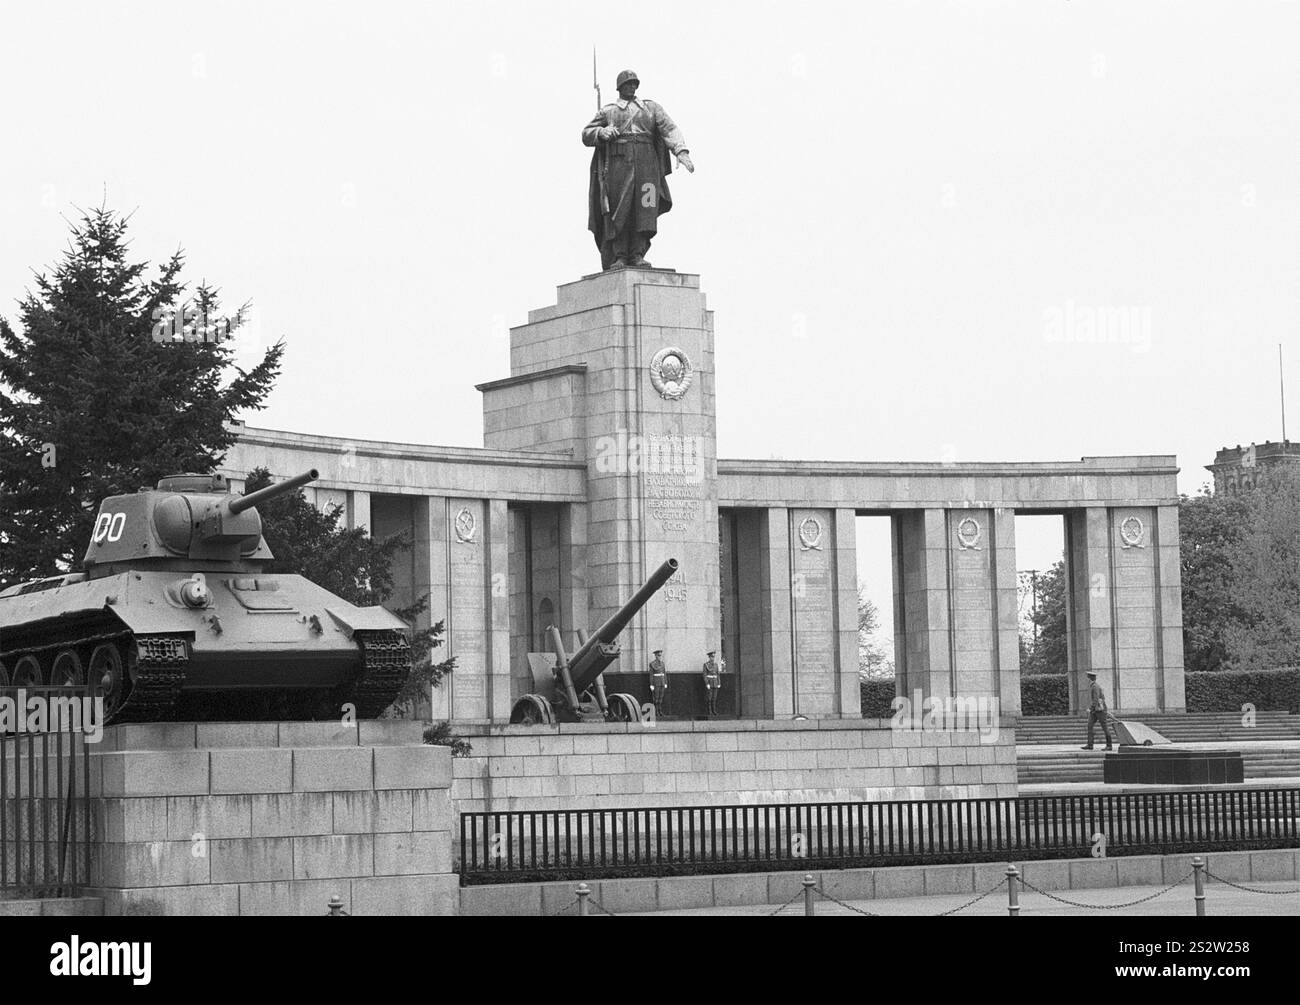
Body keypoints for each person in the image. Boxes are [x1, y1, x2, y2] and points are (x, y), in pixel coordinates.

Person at [583, 70, 694, 270]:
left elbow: (669, 128)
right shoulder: (608, 111)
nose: (632, 87)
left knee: (646, 208)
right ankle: (620, 255)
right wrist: (602, 131)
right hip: (619, 165)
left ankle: (638, 253)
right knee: (620, 210)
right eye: (627, 84)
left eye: (634, 83)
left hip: (648, 166)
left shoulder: (650, 108)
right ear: (620, 87)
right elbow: (586, 133)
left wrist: (681, 151)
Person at [1081, 670, 1113, 750]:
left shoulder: (1095, 686)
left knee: (1104, 727)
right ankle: (1090, 744)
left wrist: (1090, 708)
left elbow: (1096, 699)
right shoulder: (1093, 686)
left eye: (1088, 678)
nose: (1087, 680)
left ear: (1090, 679)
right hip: (1095, 710)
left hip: (1100, 710)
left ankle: (1109, 745)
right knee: (1089, 725)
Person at [702, 650, 722, 716]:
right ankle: (709, 711)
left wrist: (719, 683)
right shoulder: (706, 665)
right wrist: (707, 683)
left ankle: (714, 711)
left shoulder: (716, 665)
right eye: (711, 657)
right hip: (710, 682)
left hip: (715, 682)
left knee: (714, 698)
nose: (712, 658)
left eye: (713, 657)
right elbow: (704, 675)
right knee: (709, 698)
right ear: (709, 657)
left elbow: (718, 674)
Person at [649, 649, 668, 715]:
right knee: (656, 698)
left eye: (660, 655)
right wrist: (651, 684)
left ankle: (660, 710)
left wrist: (665, 682)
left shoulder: (662, 663)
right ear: (656, 656)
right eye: (658, 655)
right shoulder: (652, 664)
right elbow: (651, 675)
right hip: (656, 682)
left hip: (662, 682)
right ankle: (656, 711)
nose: (660, 657)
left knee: (661, 697)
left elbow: (664, 673)